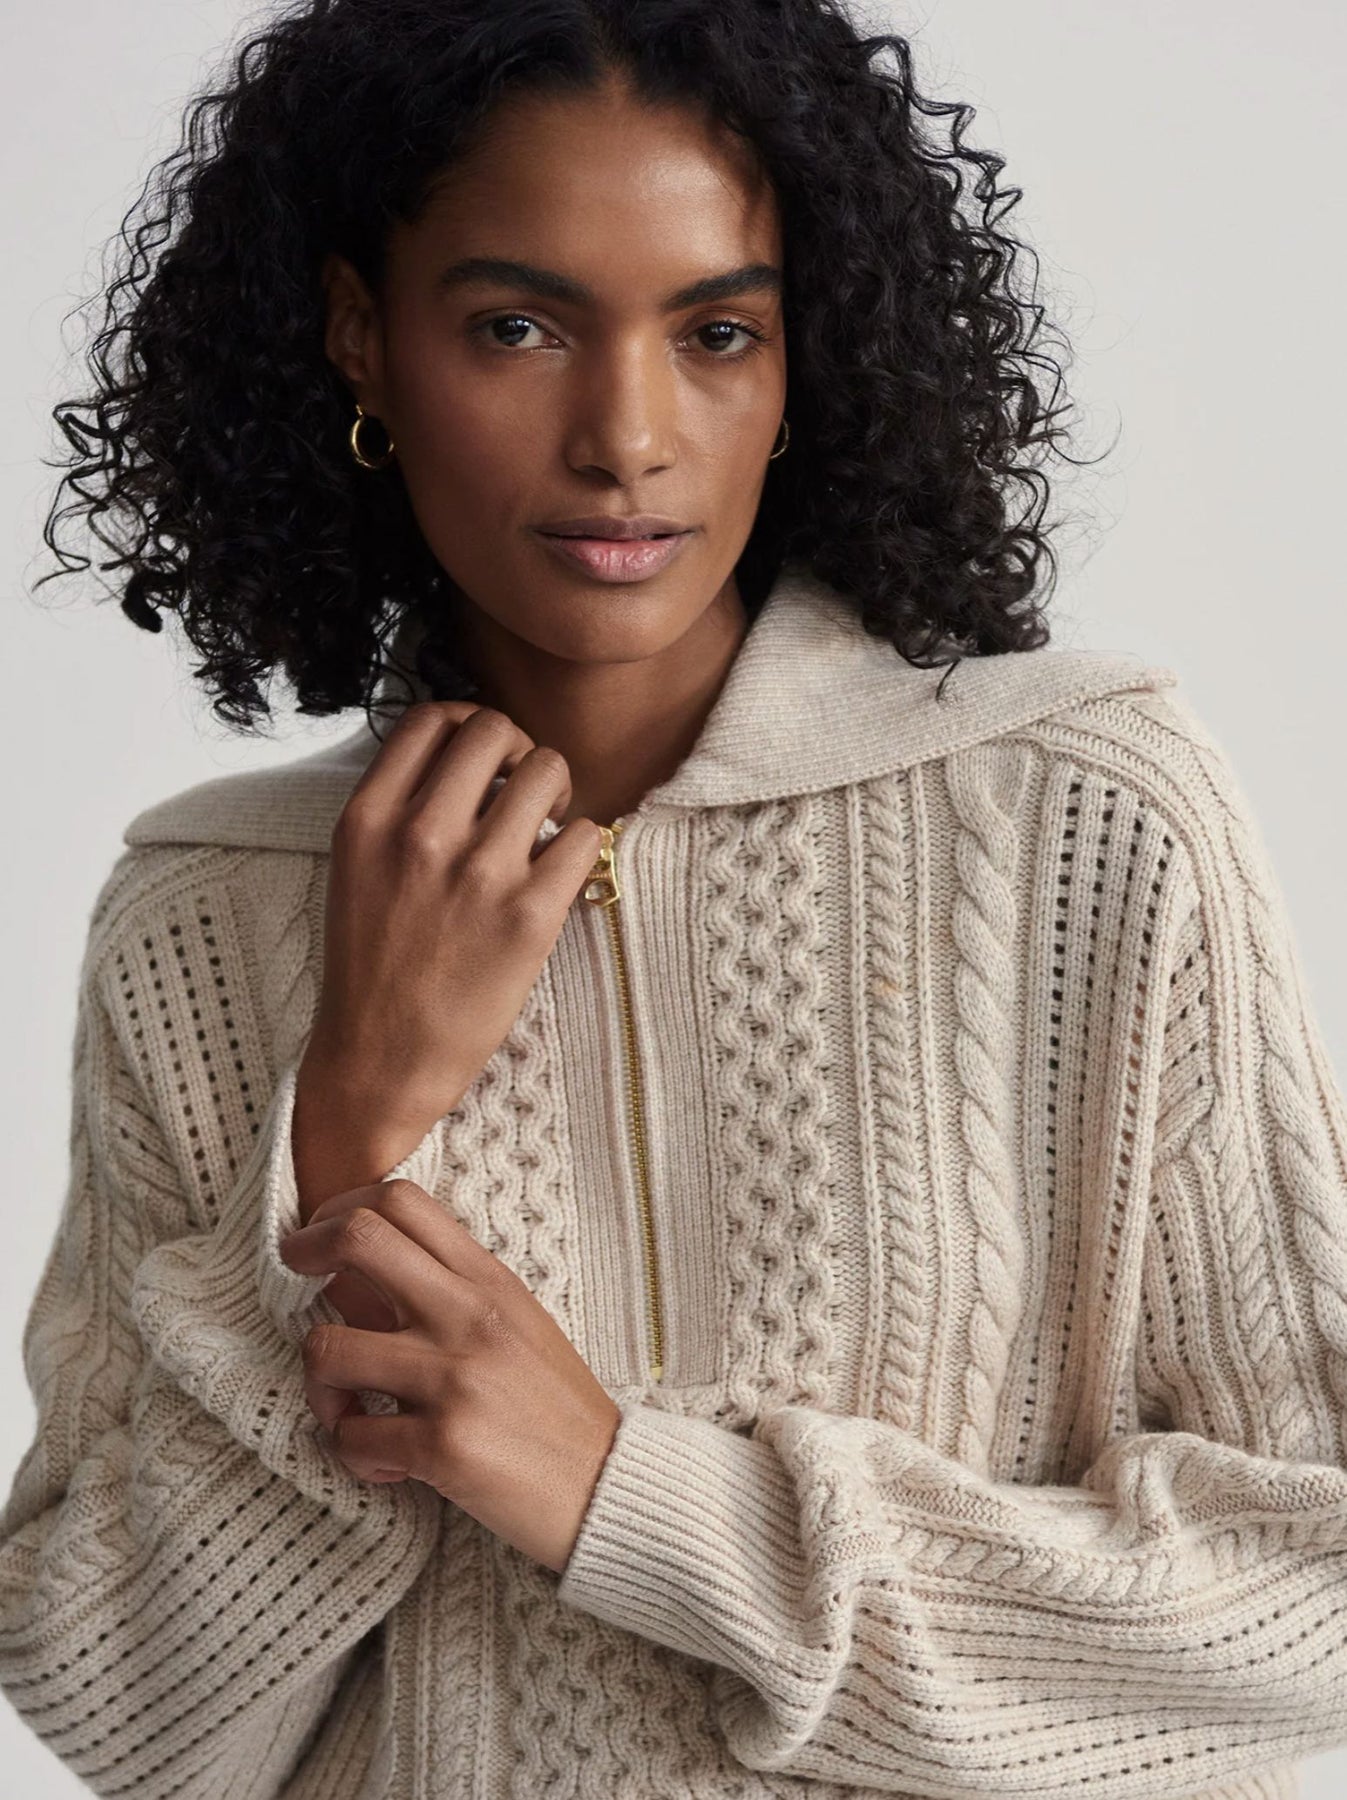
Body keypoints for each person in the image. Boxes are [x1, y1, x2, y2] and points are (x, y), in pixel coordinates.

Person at [3, 1, 1346, 1795]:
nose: (626, 436)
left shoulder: (1085, 815)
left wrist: (629, 1498)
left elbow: (1317, 1593)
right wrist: (344, 1139)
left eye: (716, 333)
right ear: (361, 339)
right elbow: (129, 1716)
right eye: (517, 327)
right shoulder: (202, 918)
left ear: (804, 364)